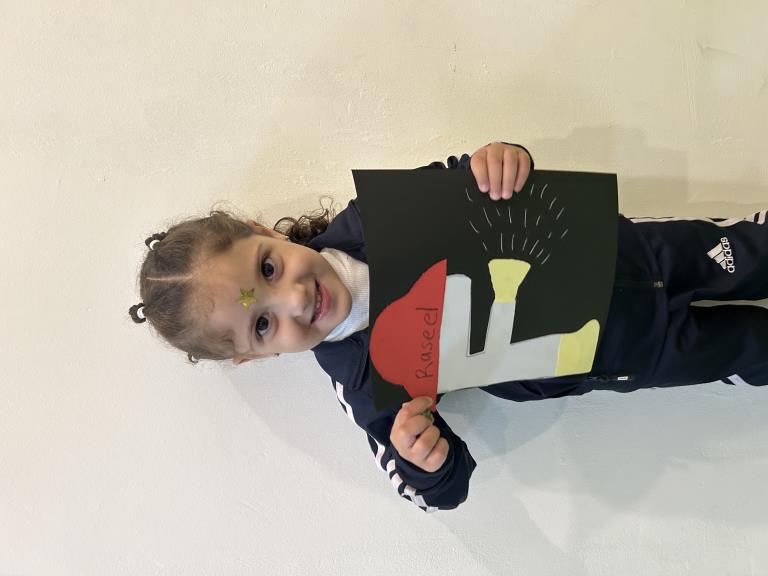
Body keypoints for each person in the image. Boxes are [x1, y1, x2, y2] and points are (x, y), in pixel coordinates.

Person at [129, 142, 768, 512]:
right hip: (619, 352)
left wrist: (501, 160)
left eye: (268, 268)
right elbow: (438, 490)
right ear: (255, 357)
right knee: (746, 350)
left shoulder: (377, 216)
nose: (295, 299)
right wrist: (423, 459)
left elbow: (476, 170)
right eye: (264, 324)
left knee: (748, 250)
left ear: (263, 231)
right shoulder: (362, 381)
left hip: (625, 250)